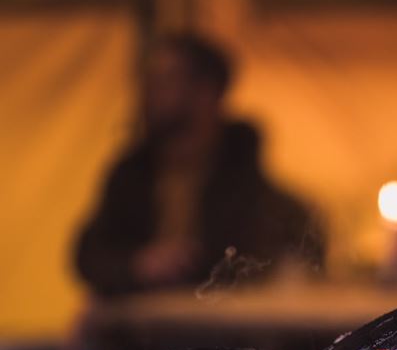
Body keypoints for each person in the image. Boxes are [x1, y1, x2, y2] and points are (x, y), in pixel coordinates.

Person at [74, 33, 321, 298]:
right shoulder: (131, 176)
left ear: (207, 92)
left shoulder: (249, 187)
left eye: (166, 80)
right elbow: (89, 255)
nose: (150, 93)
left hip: (222, 333)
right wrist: (136, 265)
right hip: (139, 332)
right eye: (150, 81)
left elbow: (270, 261)